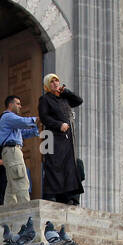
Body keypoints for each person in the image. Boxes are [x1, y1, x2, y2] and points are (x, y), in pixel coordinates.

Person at [38, 74, 84, 205]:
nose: (55, 83)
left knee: (68, 166)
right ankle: (51, 195)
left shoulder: (64, 98)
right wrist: (59, 125)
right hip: (52, 136)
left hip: (67, 139)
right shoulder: (45, 99)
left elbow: (79, 100)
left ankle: (68, 196)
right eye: (51, 82)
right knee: (54, 164)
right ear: (47, 85)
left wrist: (66, 92)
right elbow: (44, 117)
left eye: (56, 80)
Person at [0, 95, 40, 206]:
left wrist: (36, 128)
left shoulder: (11, 121)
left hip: (10, 152)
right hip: (12, 151)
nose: (20, 106)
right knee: (21, 181)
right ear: (10, 105)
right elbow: (24, 122)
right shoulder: (8, 116)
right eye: (18, 103)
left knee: (12, 184)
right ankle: (26, 212)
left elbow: (24, 133)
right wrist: (35, 120)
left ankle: (8, 213)